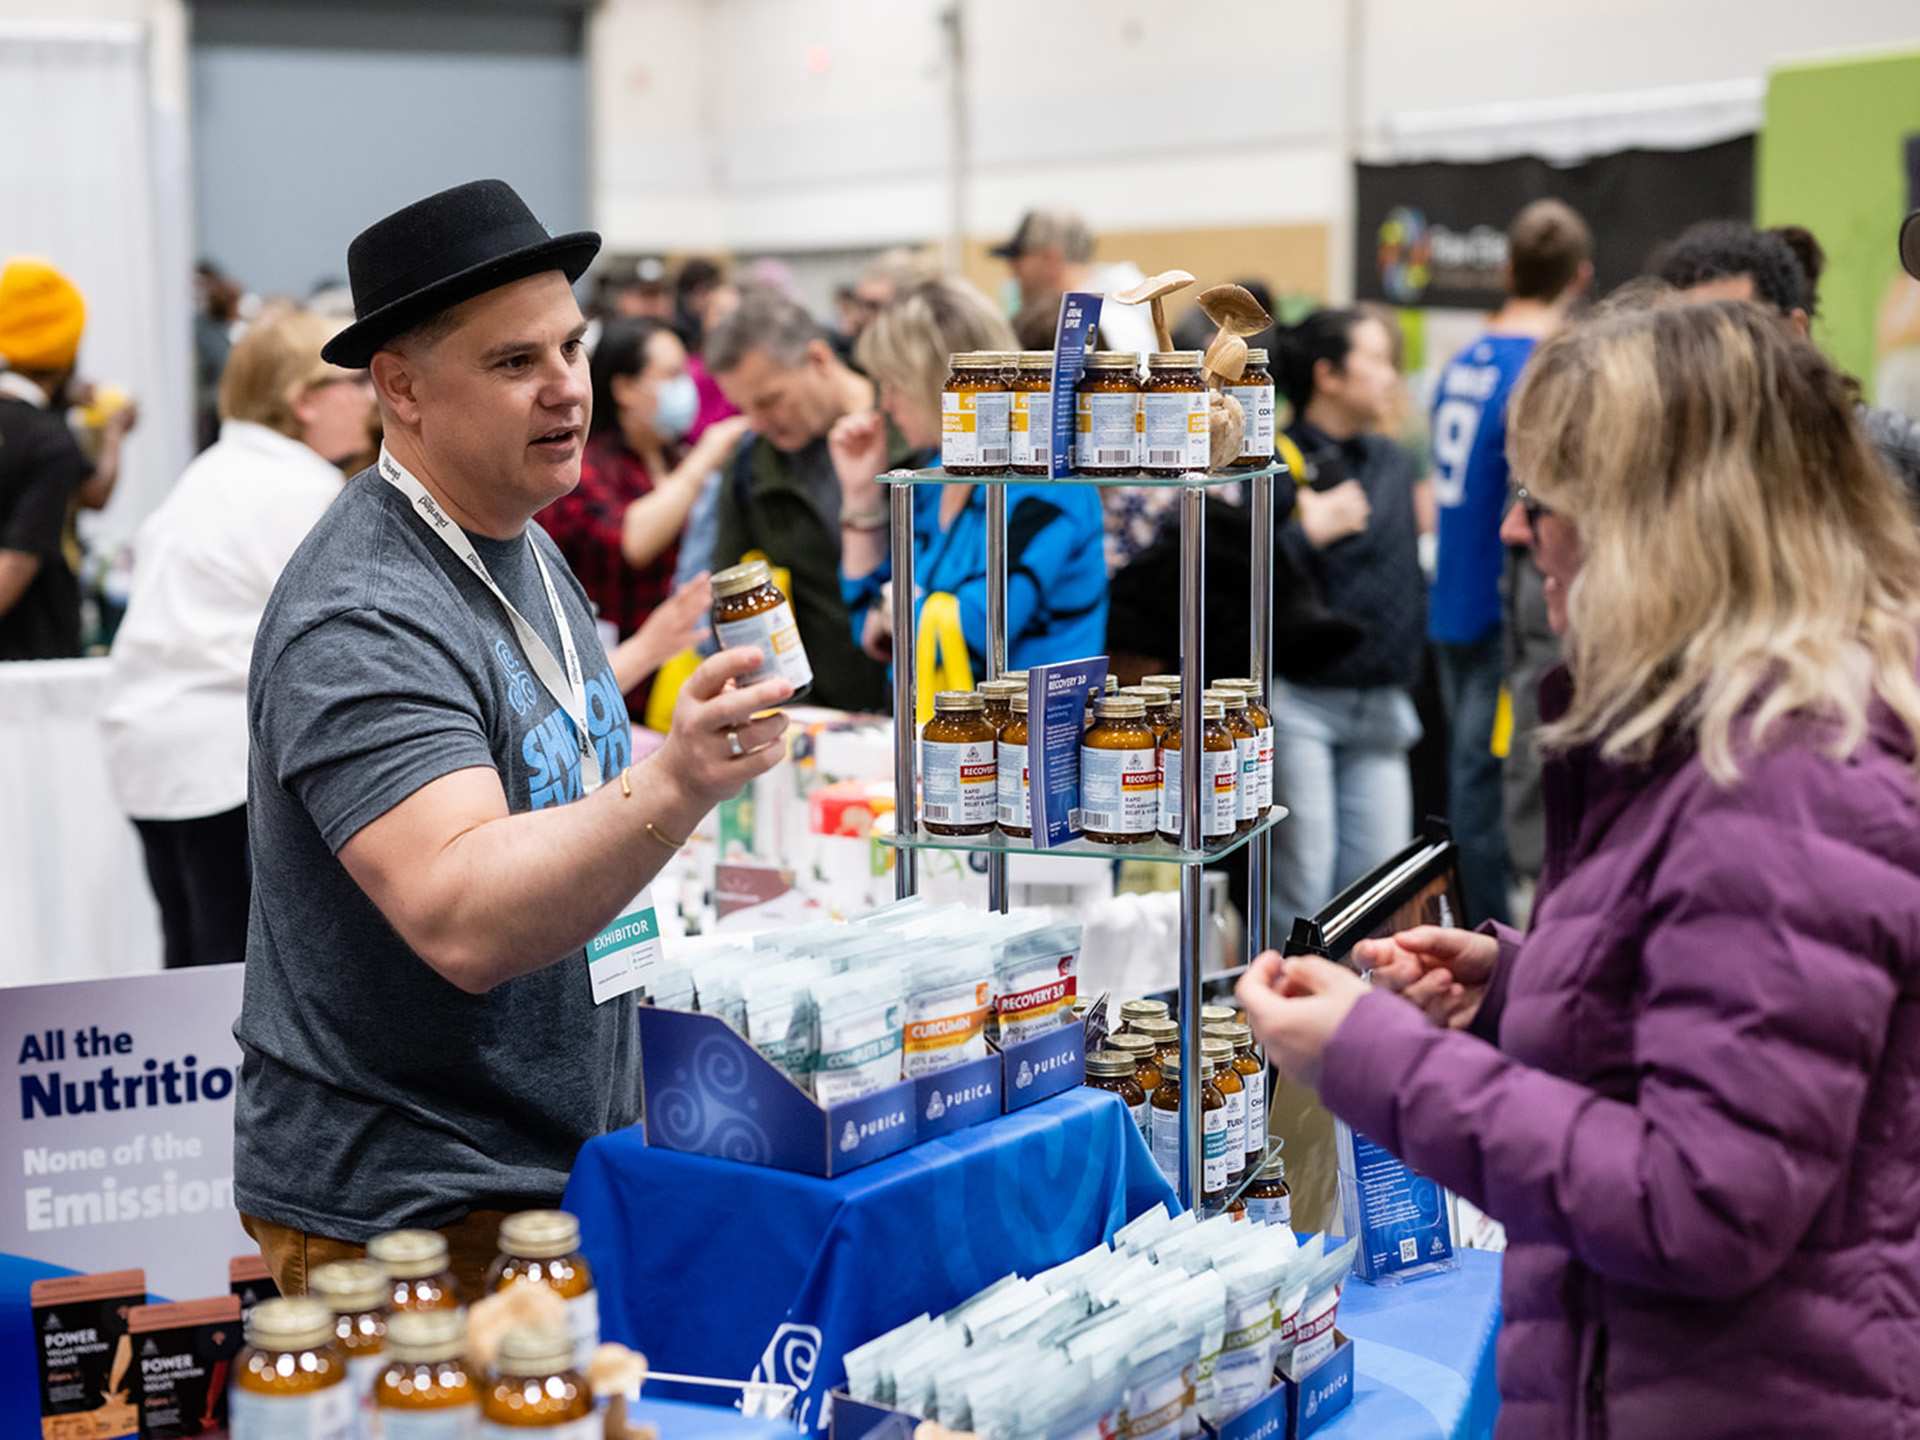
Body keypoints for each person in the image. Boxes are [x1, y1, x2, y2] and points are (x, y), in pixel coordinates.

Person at [1240, 299, 1920, 1438]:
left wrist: (1374, 1057)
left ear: (1660, 529)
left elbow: (1700, 1201)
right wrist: (1520, 985)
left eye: (1544, 500)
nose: (1515, 532)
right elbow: (1718, 1026)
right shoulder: (1723, 745)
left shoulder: (1783, 782)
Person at [233, 180, 790, 1297]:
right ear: (400, 387)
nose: (566, 386)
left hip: (550, 1172)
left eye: (572, 347)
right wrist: (675, 783)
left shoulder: (521, 538)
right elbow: (462, 914)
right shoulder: (362, 611)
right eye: (514, 362)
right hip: (411, 1210)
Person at [99, 309, 368, 968]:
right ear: (305, 401)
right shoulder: (299, 489)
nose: (370, 398)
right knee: (244, 972)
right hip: (221, 760)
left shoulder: (213, 472)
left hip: (151, 752)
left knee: (191, 961)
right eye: (356, 381)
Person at [1428, 200, 1592, 926]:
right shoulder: (1546, 366)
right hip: (1508, 605)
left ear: (1506, 269)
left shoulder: (1466, 358)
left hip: (1454, 596)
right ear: (1580, 277)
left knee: (1474, 780)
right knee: (1503, 786)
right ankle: (1492, 941)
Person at [832, 277, 1107, 676]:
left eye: (895, 385)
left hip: (1030, 713)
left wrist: (892, 609)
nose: (886, 404)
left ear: (940, 385)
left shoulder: (1048, 489)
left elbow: (974, 630)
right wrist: (859, 495)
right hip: (936, 710)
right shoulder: (934, 477)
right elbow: (868, 630)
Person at [1267, 309, 1424, 926]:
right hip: (1302, 701)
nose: (1391, 377)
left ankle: (1357, 995)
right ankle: (1281, 991)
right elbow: (1236, 579)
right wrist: (1304, 534)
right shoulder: (1273, 463)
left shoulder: (1390, 460)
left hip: (1382, 702)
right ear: (1328, 374)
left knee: (1377, 894)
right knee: (1302, 889)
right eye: (1377, 360)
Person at [534, 315, 748, 709]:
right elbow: (629, 541)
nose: (686, 387)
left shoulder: (673, 456)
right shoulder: (585, 468)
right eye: (671, 375)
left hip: (683, 670)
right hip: (616, 683)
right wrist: (703, 460)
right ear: (625, 388)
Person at [704, 286, 896, 712]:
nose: (758, 422)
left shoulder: (907, 431)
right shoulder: (752, 466)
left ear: (819, 359)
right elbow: (728, 588)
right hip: (821, 712)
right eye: (744, 409)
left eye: (770, 401)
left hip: (932, 700)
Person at [1655, 218, 1920, 499]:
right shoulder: (1647, 470)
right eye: (1681, 337)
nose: (1704, 357)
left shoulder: (1890, 459)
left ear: (1794, 331)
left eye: (1734, 330)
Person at [0, 256, 138, 661]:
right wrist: (112, 435)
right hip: (31, 654)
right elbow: (17, 562)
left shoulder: (45, 429)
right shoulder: (50, 441)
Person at [990, 209, 1159, 356]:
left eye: (1018, 264)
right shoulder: (1098, 316)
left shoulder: (1110, 325)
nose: (1013, 276)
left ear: (1050, 259)